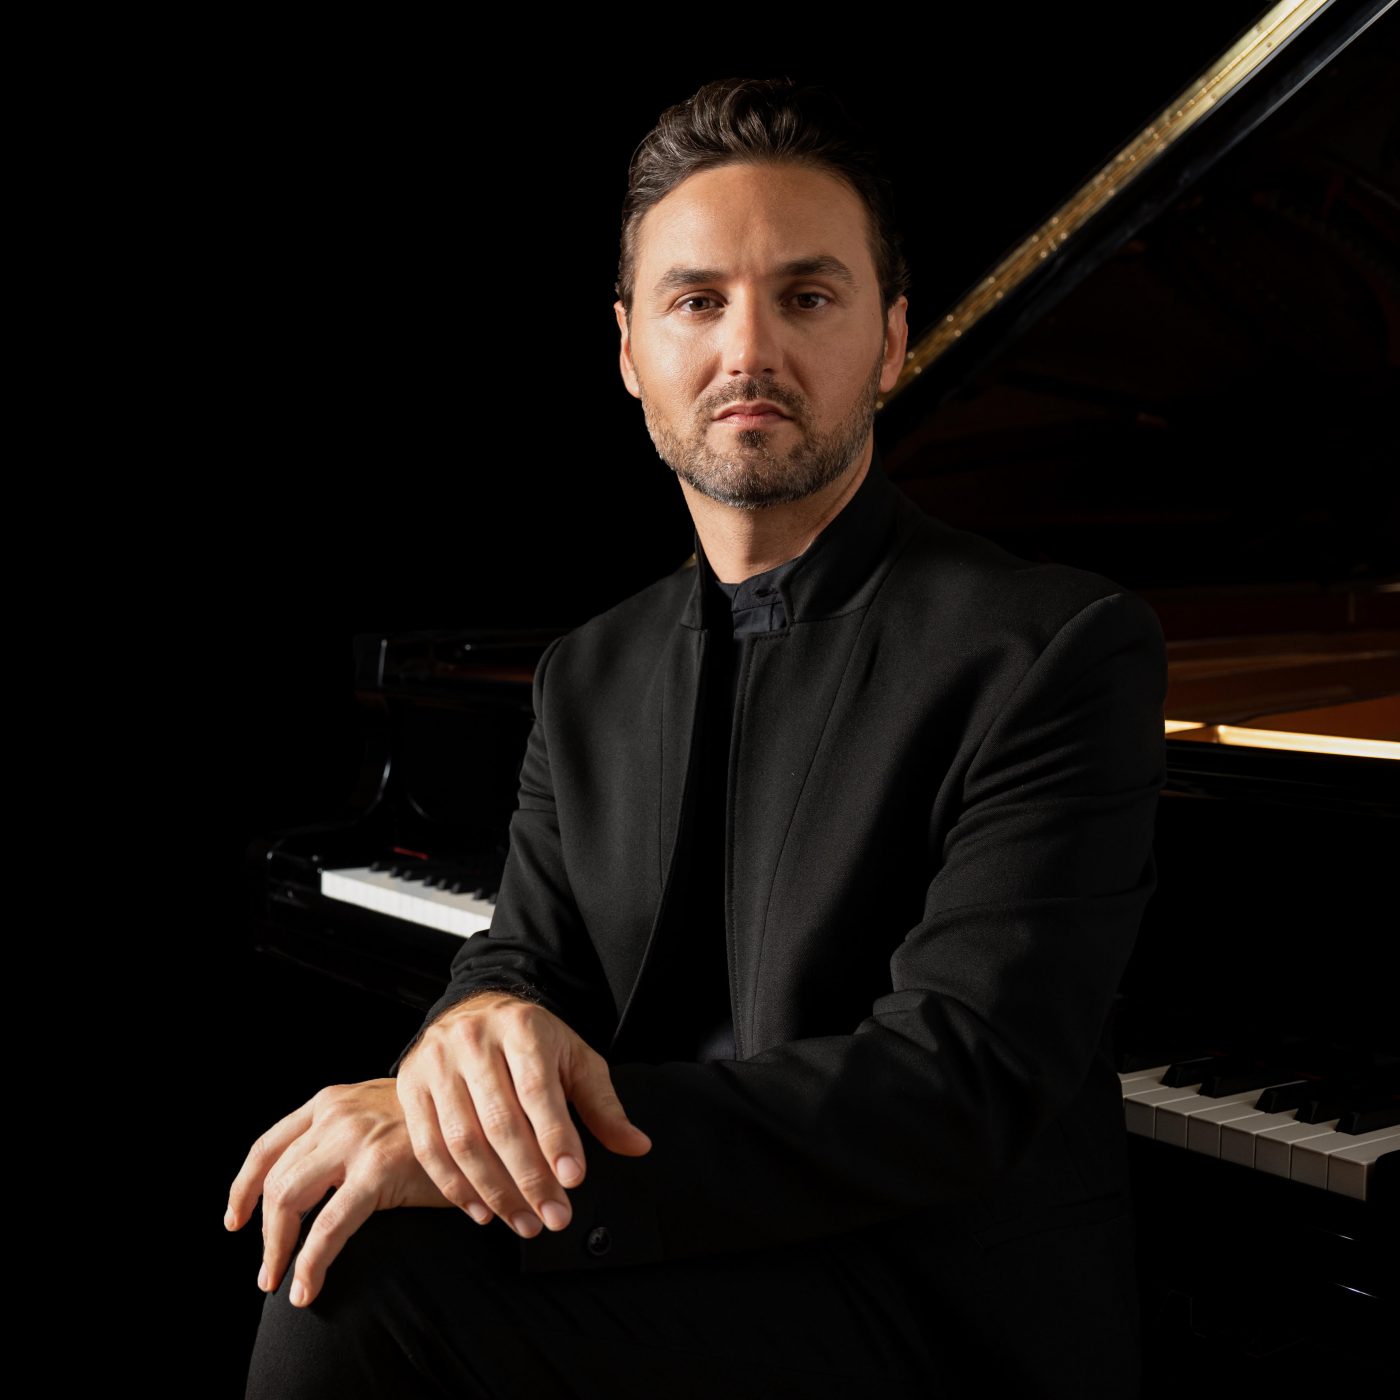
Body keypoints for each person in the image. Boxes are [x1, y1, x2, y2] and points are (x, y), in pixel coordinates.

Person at [233, 75, 1166, 1398]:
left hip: (924, 1296)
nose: (749, 349)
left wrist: (496, 1144)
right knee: (343, 1257)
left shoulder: (1054, 648)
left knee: (361, 1293)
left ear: (892, 339)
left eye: (808, 296)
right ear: (630, 351)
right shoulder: (589, 669)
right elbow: (523, 955)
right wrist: (472, 1034)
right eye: (698, 300)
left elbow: (956, 1082)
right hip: (664, 1242)